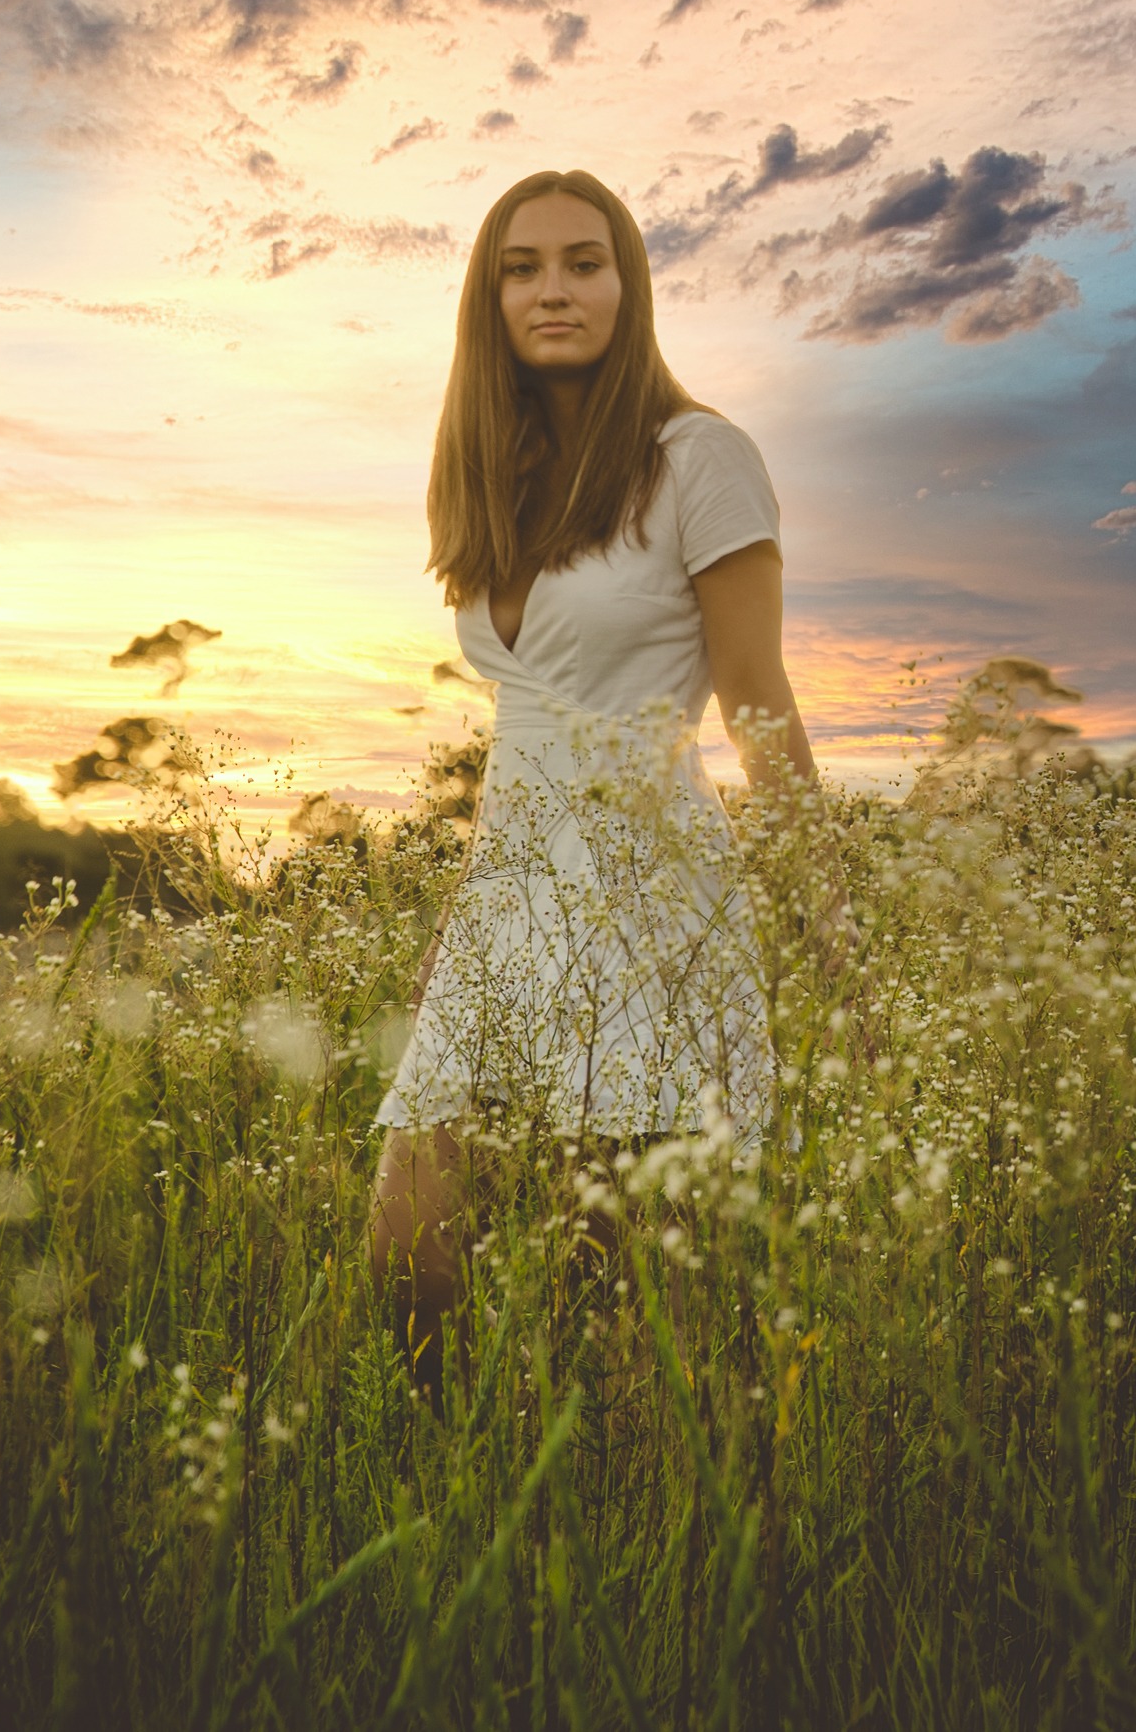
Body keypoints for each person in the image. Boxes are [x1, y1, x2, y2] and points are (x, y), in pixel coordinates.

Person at [369, 167, 832, 1402]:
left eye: (584, 262)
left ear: (628, 288)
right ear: (489, 297)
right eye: (521, 268)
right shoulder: (493, 482)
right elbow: (520, 734)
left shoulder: (700, 458)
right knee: (409, 1239)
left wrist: (823, 934)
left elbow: (758, 702)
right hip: (509, 899)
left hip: (648, 898)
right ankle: (474, 1489)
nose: (553, 290)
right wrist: (463, 923)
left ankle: (615, 1535)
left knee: (617, 1288)